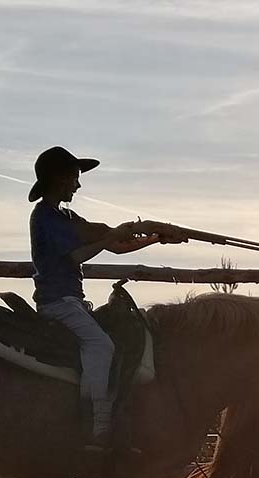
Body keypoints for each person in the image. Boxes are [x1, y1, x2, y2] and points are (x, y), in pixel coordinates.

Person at [28, 146, 184, 453]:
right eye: (74, 177)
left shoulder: (65, 217)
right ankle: (97, 425)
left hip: (70, 300)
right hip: (57, 301)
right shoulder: (45, 216)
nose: (77, 184)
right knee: (100, 345)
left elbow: (114, 245)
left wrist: (155, 237)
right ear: (58, 178)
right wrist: (116, 235)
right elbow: (78, 256)